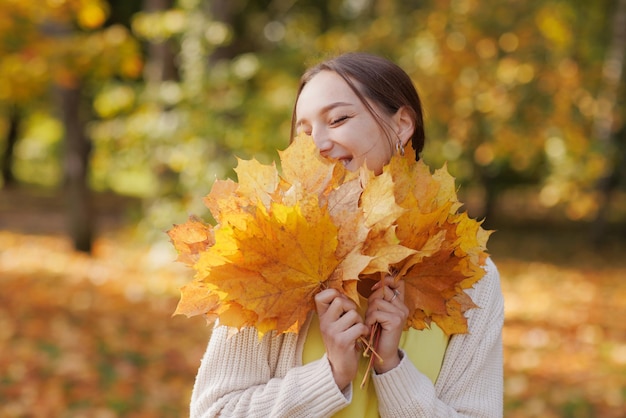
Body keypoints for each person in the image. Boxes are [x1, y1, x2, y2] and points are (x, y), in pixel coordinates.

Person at [189, 52, 504, 417]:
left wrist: (392, 369)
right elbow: (214, 412)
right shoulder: (268, 253)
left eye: (338, 119)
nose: (317, 144)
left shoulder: (468, 274)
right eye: (303, 131)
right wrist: (330, 376)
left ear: (402, 124)